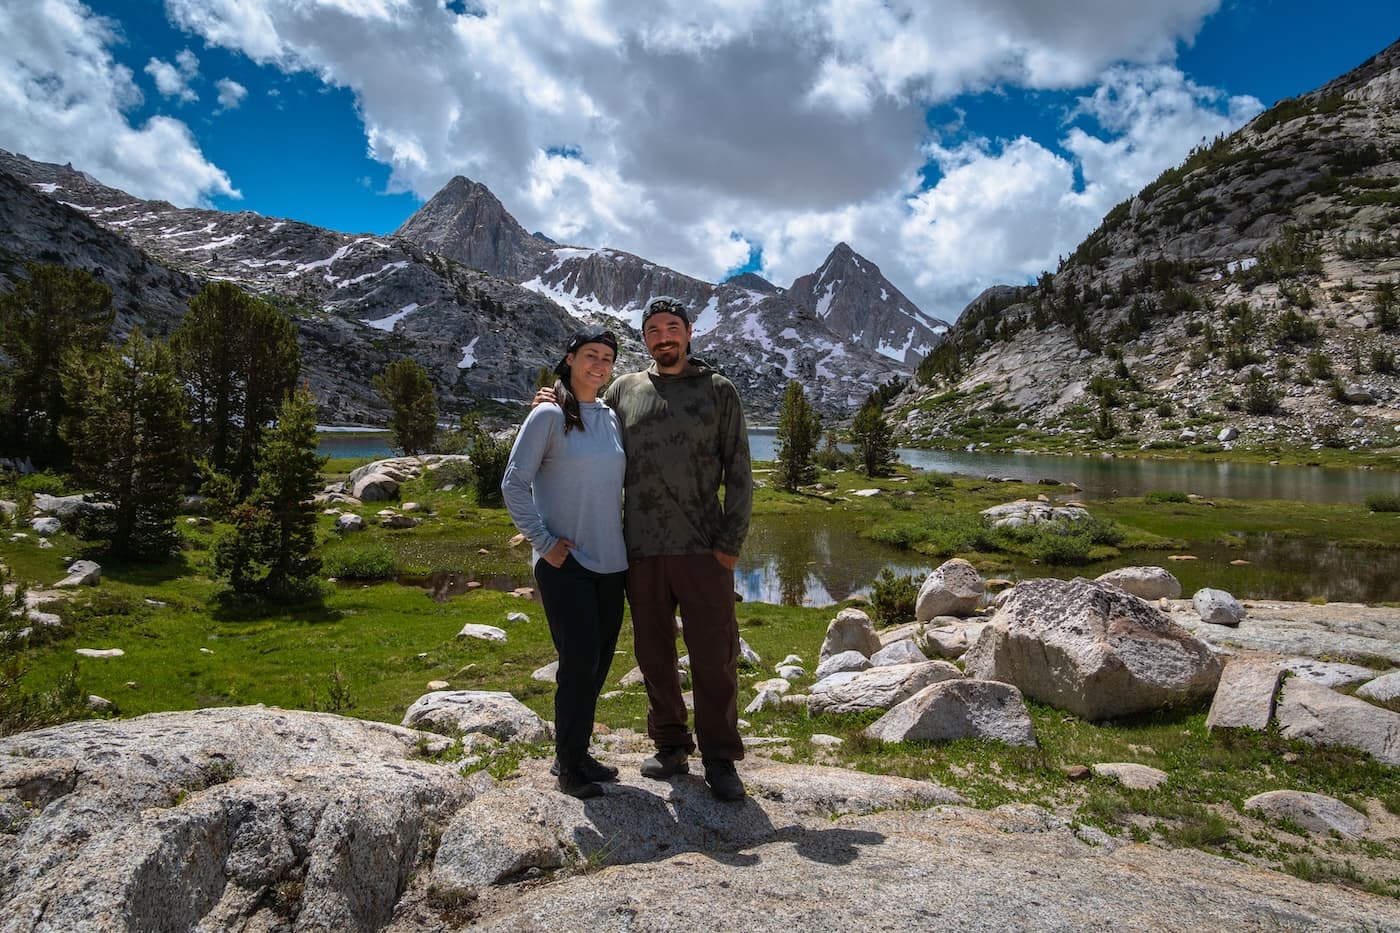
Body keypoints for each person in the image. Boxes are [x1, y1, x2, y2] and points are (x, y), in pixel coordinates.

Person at [537, 296, 753, 801]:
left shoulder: (719, 391)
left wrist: (730, 545)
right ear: (645, 338)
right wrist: (550, 401)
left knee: (713, 655)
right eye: (653, 329)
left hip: (703, 550)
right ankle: (671, 744)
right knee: (653, 654)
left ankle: (721, 757)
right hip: (639, 551)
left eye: (672, 327)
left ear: (689, 332)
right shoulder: (623, 390)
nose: (663, 337)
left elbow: (740, 470)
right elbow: (582, 416)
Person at [502, 329, 628, 799]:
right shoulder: (548, 415)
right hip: (565, 562)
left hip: (612, 564)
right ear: (569, 358)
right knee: (578, 662)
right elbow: (513, 483)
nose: (599, 364)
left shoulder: (611, 417)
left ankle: (578, 752)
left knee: (595, 666)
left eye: (608, 358)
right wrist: (544, 541)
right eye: (591, 355)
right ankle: (568, 766)